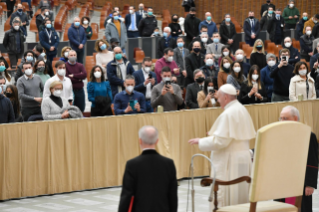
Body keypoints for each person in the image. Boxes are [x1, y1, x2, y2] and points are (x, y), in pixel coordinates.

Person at [188, 84, 256, 208]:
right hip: (242, 158)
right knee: (240, 196)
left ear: (225, 98)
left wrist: (201, 141)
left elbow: (221, 142)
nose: (217, 101)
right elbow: (229, 135)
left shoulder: (228, 113)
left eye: (219, 98)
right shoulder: (240, 108)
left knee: (227, 198)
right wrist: (214, 134)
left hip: (230, 161)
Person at [118, 125, 178, 212]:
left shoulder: (132, 164)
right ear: (157, 141)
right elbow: (172, 195)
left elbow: (127, 195)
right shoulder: (168, 164)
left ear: (140, 141)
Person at [279, 106, 318, 212]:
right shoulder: (279, 135)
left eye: (285, 118)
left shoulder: (308, 135)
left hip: (301, 181)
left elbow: (312, 160)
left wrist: (310, 184)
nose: (282, 121)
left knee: (301, 207)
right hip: (282, 180)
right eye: (281, 118)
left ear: (295, 118)